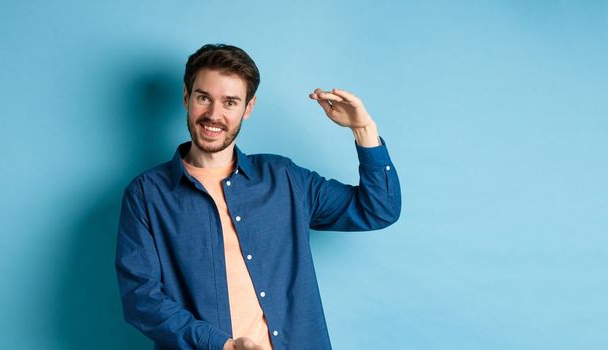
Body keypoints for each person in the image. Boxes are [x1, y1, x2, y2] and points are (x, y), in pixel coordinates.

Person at [115, 44, 401, 350]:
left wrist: (363, 128)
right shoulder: (147, 194)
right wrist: (220, 345)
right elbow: (140, 298)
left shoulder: (285, 179)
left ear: (247, 108)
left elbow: (379, 209)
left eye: (230, 102)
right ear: (186, 98)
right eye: (203, 98)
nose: (214, 114)